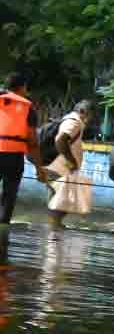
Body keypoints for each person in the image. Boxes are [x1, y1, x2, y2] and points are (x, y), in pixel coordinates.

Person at [0, 72, 46, 225]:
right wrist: (39, 169)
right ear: (22, 87)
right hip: (13, 157)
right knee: (9, 196)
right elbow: (32, 142)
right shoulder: (28, 108)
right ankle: (3, 227)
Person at [46, 100, 95, 228]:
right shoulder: (74, 122)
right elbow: (60, 140)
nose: (91, 119)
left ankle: (54, 226)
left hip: (57, 167)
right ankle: (54, 228)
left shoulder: (71, 120)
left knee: (59, 199)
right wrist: (71, 161)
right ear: (83, 112)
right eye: (91, 115)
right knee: (63, 199)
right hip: (59, 167)